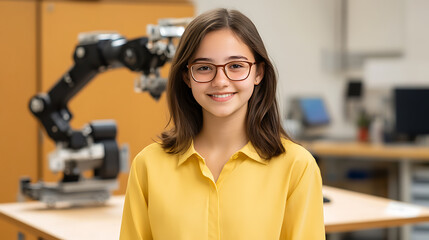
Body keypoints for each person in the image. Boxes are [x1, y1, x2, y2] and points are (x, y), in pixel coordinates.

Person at [120, 8, 325, 240]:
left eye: (236, 66)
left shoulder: (297, 167)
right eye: (204, 68)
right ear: (187, 77)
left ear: (258, 73)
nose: (220, 81)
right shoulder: (148, 166)